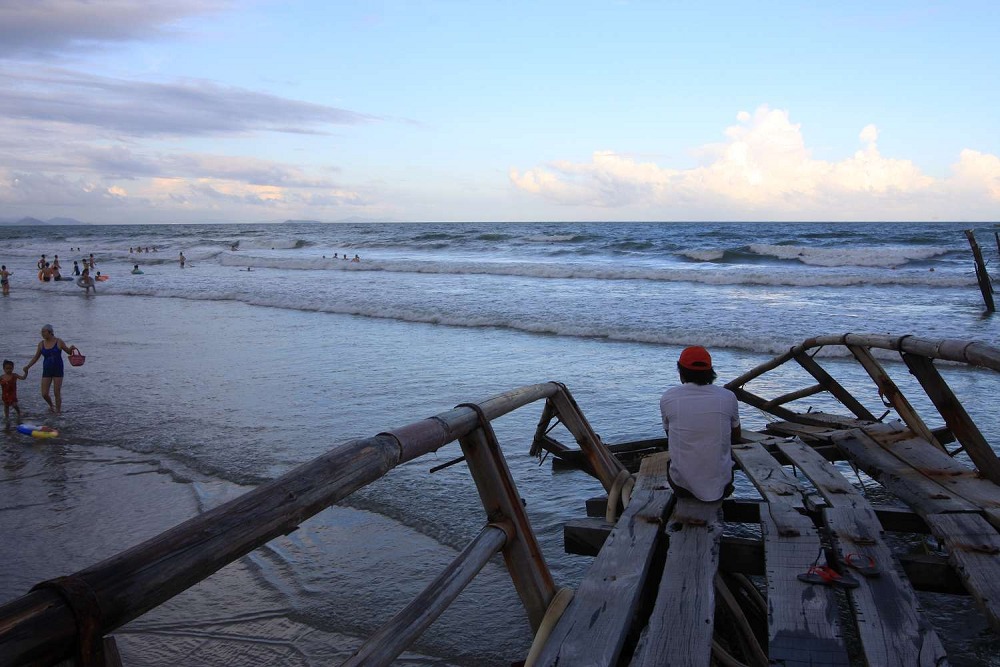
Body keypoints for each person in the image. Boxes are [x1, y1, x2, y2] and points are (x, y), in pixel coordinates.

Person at [659, 346, 741, 502]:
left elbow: (671, 436)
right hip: (721, 485)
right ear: (711, 372)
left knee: (672, 460)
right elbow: (736, 436)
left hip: (682, 486)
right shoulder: (728, 397)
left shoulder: (668, 398)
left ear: (681, 372)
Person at [23, 324, 80, 415]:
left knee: (57, 392)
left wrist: (72, 348)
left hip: (58, 369)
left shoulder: (59, 341)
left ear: (50, 332)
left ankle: (58, 412)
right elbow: (36, 357)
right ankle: (51, 405)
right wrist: (28, 366)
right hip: (47, 370)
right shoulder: (41, 344)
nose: (42, 334)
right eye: (41, 332)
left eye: (44, 332)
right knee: (44, 394)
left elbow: (68, 352)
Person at [1, 360, 28, 425]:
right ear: (4, 369)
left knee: (14, 405)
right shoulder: (1, 377)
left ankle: (19, 413)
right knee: (6, 406)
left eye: (10, 368)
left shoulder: (14, 375)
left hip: (12, 394)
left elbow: (23, 378)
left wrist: (26, 372)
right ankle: (6, 417)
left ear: (13, 368)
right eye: (7, 368)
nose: (9, 370)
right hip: (5, 395)